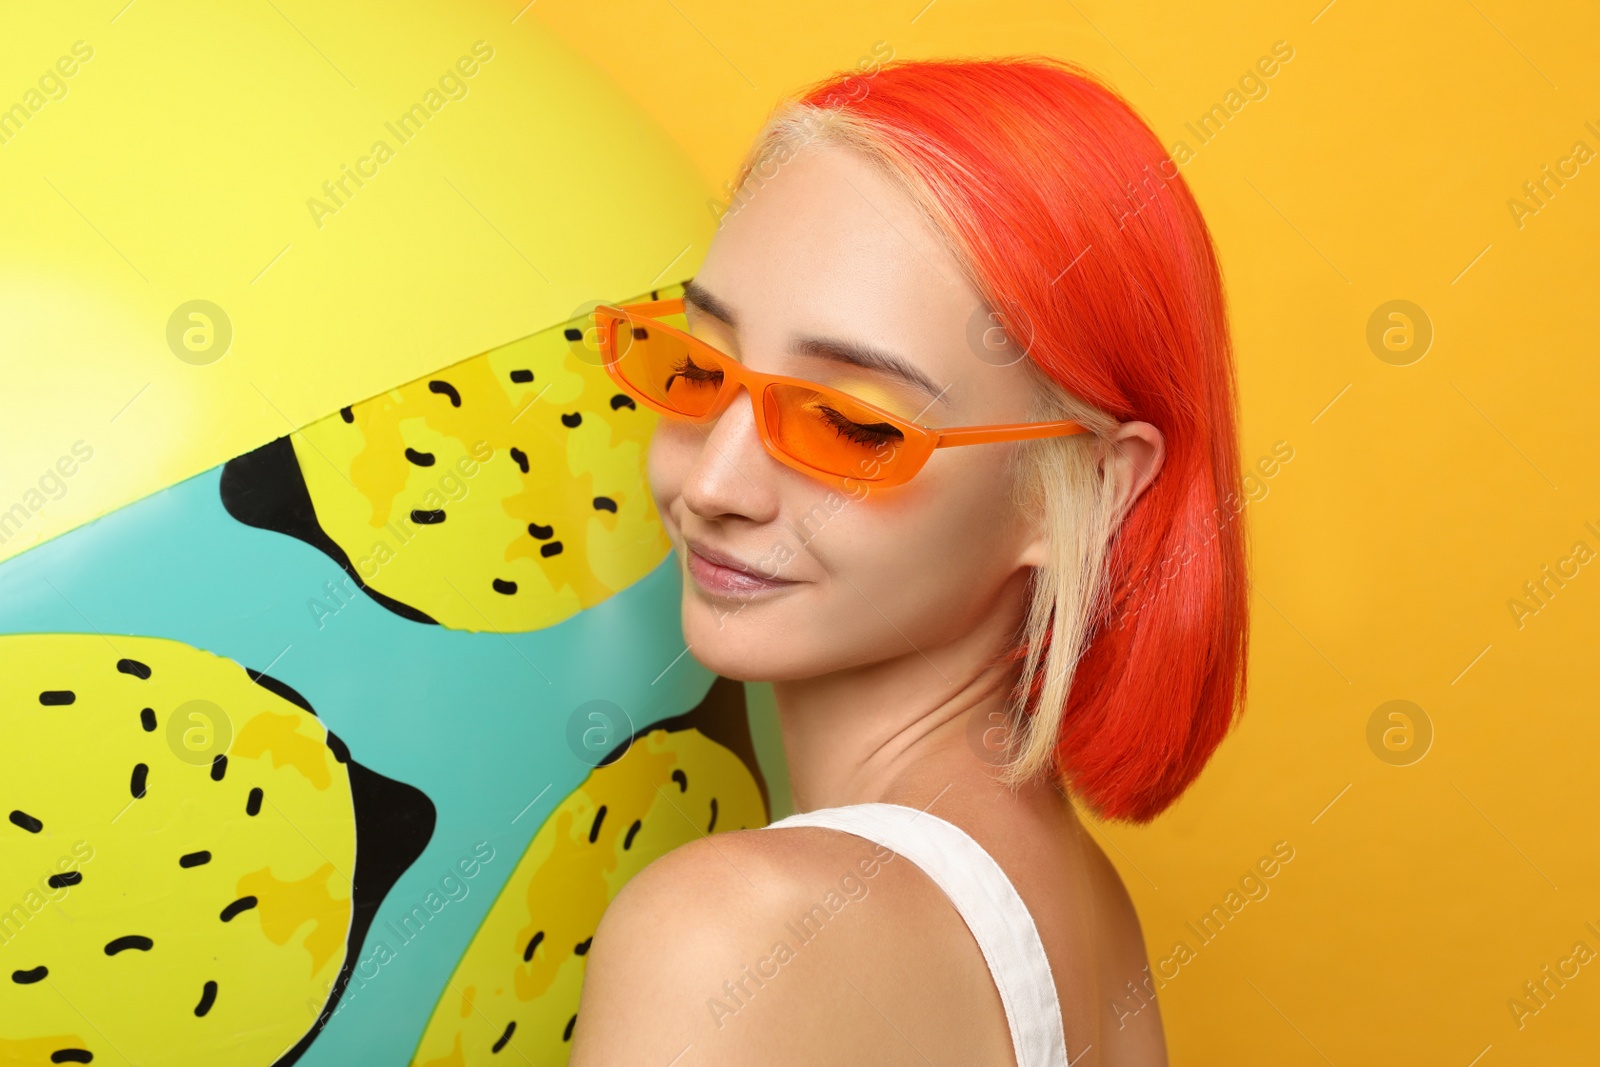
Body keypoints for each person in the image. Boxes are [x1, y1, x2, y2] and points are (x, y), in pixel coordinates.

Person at [570, 54, 1248, 1067]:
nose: (714, 483)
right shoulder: (1086, 913)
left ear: (1097, 487)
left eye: (852, 424)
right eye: (699, 367)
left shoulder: (724, 934)